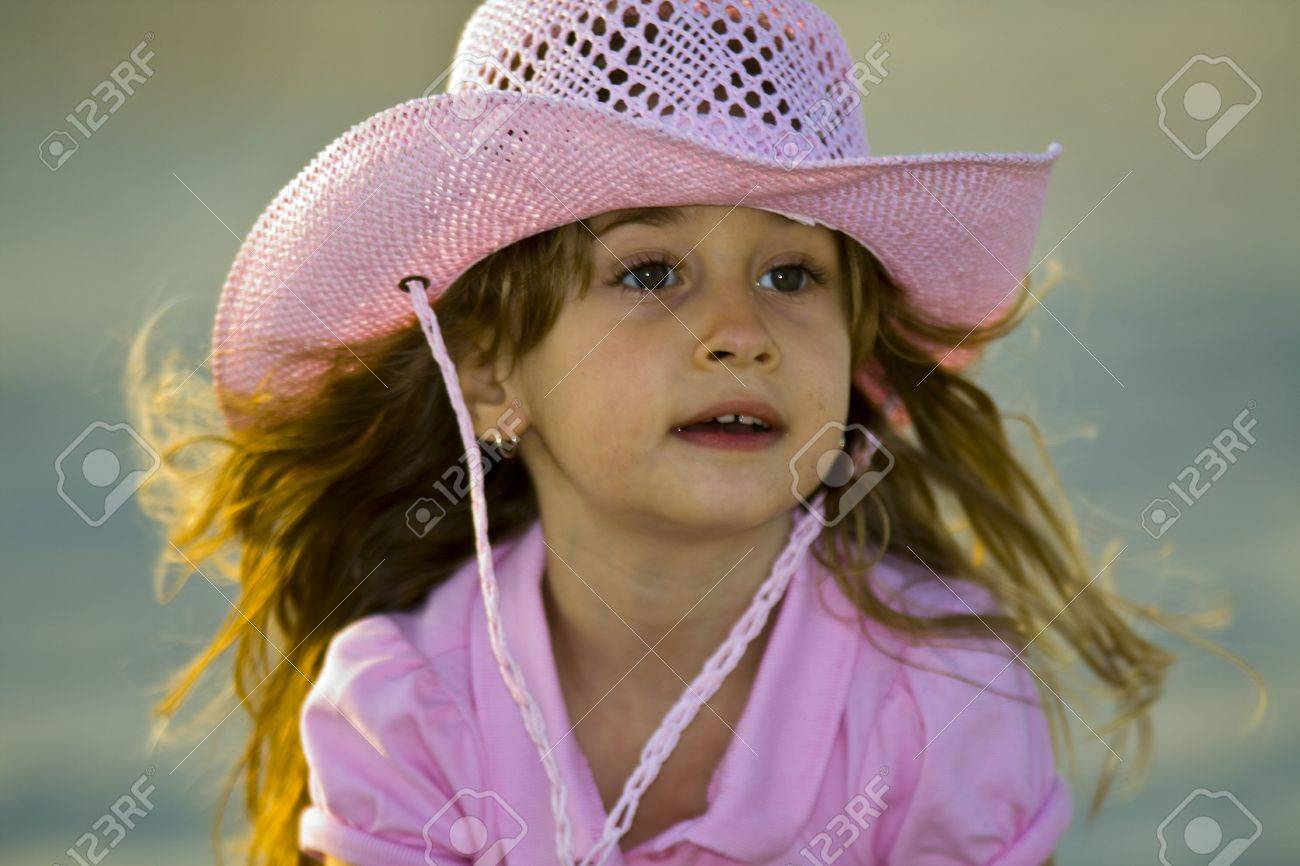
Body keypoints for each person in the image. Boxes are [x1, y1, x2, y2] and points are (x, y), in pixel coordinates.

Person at [131, 1, 1196, 863]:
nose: (740, 333)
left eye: (791, 275)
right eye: (648, 272)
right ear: (496, 372)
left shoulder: (934, 698)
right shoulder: (411, 707)